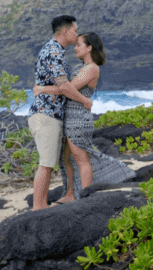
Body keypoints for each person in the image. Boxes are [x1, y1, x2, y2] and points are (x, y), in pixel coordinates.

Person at [34, 32, 135, 204]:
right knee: (66, 159)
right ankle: (70, 194)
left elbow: (69, 88)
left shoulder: (92, 68)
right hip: (69, 117)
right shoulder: (80, 67)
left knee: (81, 158)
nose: (76, 47)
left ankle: (84, 197)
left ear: (89, 48)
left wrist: (43, 89)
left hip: (79, 118)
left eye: (79, 44)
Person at [27, 15, 91, 211]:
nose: (76, 34)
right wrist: (84, 100)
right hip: (46, 115)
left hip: (49, 114)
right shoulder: (54, 51)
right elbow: (64, 86)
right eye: (74, 30)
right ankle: (38, 208)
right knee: (46, 165)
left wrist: (43, 89)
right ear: (65, 31)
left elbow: (59, 86)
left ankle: (42, 205)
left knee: (48, 163)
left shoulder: (54, 50)